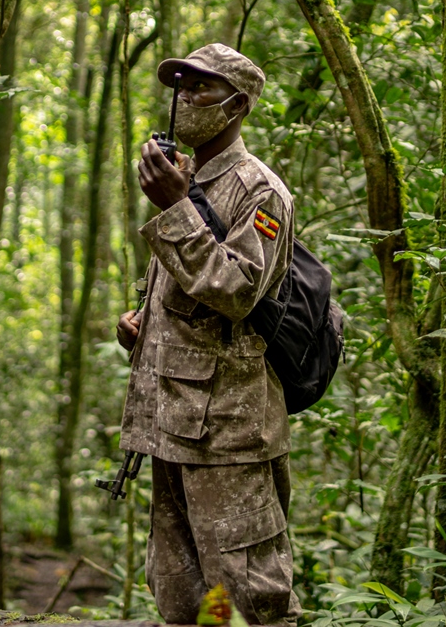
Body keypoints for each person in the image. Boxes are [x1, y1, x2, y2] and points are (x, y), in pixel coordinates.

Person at [115, 43, 298, 625]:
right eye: (181, 86)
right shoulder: (185, 176)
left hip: (229, 431)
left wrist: (172, 207)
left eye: (201, 88)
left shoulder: (259, 191)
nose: (185, 98)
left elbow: (238, 290)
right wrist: (140, 327)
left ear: (237, 106)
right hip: (171, 421)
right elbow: (188, 299)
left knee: (250, 595)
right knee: (178, 594)